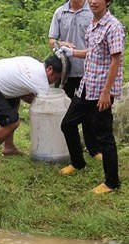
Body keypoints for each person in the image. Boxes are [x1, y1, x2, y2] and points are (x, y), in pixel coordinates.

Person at [58, 0, 125, 194]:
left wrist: (106, 92)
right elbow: (93, 53)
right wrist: (71, 52)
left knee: (104, 136)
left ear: (108, 2)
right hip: (87, 85)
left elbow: (116, 61)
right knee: (67, 124)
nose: (94, 1)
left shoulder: (113, 26)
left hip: (102, 91)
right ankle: (78, 163)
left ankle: (112, 183)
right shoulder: (93, 24)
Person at [0, 55, 62, 163]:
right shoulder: (41, 83)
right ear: (50, 69)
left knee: (14, 104)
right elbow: (45, 109)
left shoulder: (33, 63)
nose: (54, 82)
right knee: (12, 121)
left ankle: (9, 147)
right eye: (55, 77)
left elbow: (24, 93)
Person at [49, 0, 96, 155]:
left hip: (88, 71)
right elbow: (52, 40)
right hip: (65, 73)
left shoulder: (93, 11)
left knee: (89, 113)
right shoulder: (60, 13)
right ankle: (70, 150)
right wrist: (61, 43)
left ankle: (93, 148)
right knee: (68, 112)